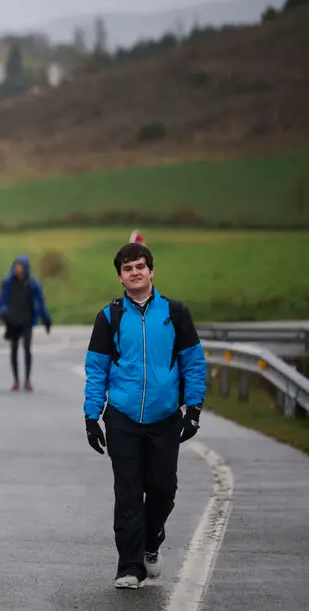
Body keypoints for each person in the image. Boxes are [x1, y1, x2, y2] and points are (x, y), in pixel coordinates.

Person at [83, 242, 207, 590]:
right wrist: (92, 417)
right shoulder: (110, 316)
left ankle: (152, 541)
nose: (135, 272)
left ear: (151, 271)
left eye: (140, 266)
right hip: (121, 416)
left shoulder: (175, 313)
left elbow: (193, 362)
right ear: (120, 277)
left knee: (163, 488)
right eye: (128, 268)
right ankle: (129, 565)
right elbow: (97, 370)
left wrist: (193, 408)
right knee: (127, 491)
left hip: (165, 416)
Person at [0, 255, 52, 392]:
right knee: (14, 349)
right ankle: (16, 379)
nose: (18, 269)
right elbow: (2, 300)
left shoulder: (32, 284)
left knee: (27, 349)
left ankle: (27, 379)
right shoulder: (8, 282)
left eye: (20, 267)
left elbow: (40, 302)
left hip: (27, 320)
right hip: (13, 320)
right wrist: (3, 312)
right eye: (16, 266)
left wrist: (46, 319)